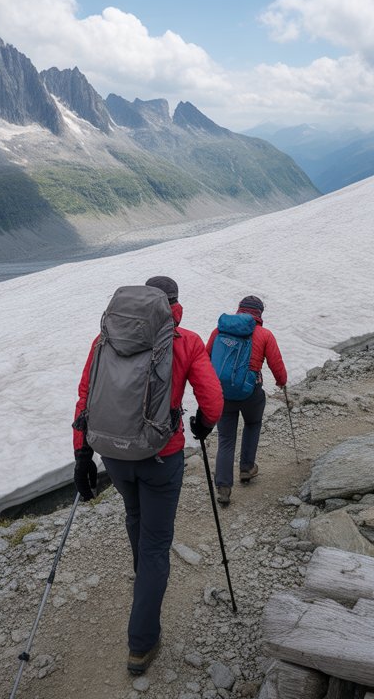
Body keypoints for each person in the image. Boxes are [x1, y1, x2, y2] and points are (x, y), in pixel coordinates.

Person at [72, 275, 223, 676]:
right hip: (162, 456)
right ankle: (141, 644)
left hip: (113, 456)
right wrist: (204, 425)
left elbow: (86, 396)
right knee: (157, 544)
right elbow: (213, 400)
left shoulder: (104, 340)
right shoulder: (185, 341)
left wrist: (81, 454)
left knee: (135, 517)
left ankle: (145, 584)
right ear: (174, 304)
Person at [206, 295, 287, 506]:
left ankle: (223, 487)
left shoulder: (219, 331)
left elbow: (205, 359)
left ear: (239, 309)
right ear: (259, 314)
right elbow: (276, 364)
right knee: (252, 424)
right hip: (251, 393)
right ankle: (247, 469)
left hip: (223, 394)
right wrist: (282, 382)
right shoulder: (264, 334)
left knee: (226, 439)